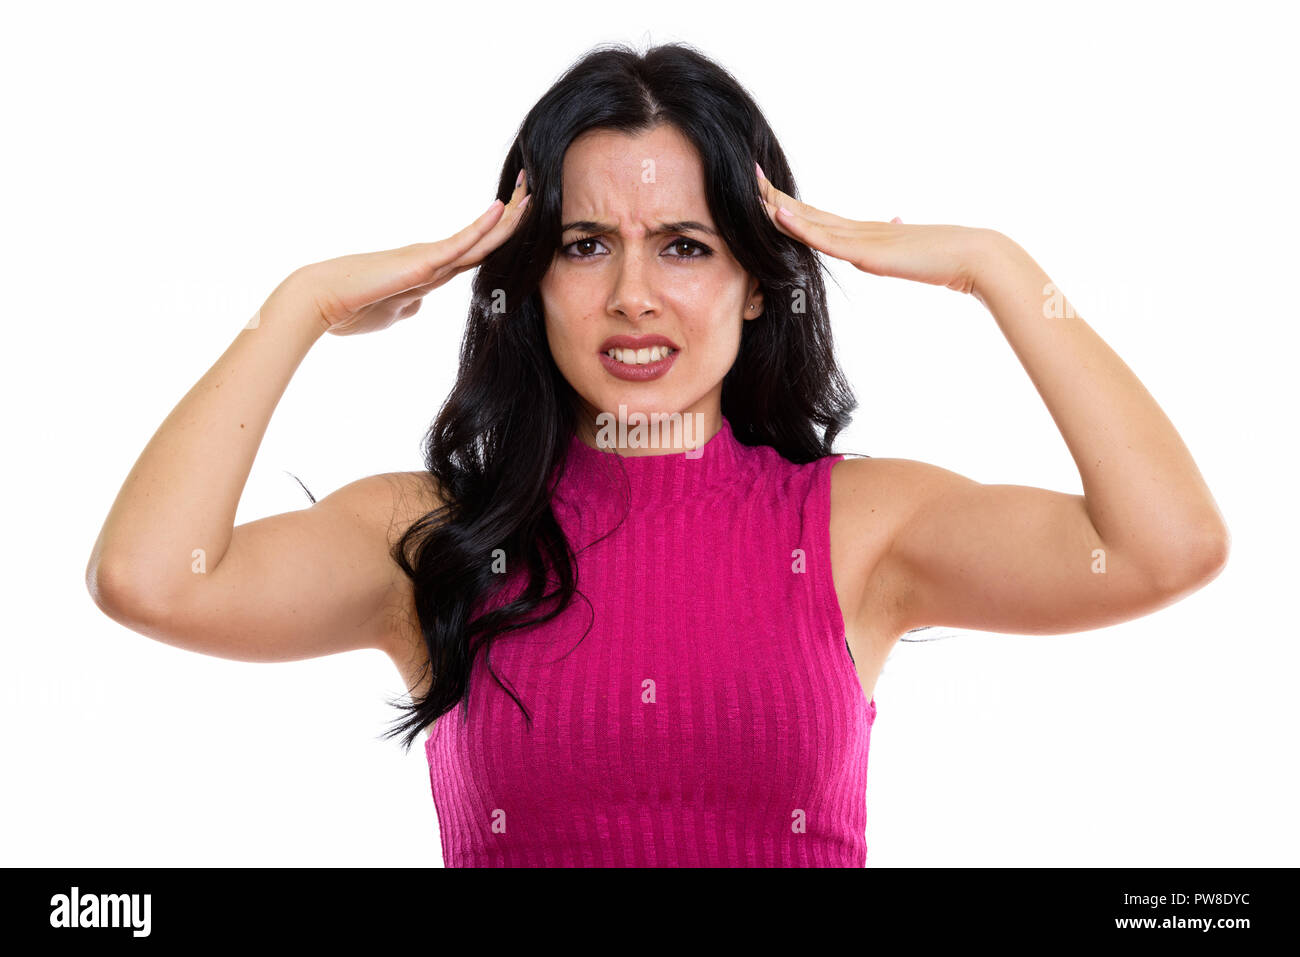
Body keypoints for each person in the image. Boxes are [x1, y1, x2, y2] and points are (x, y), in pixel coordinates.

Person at [84, 42, 1229, 867]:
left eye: (684, 245)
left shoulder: (857, 528)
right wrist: (297, 308)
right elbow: (148, 580)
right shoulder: (434, 537)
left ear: (755, 279)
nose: (633, 297)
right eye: (585, 246)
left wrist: (995, 265)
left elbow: (1164, 546)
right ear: (531, 282)